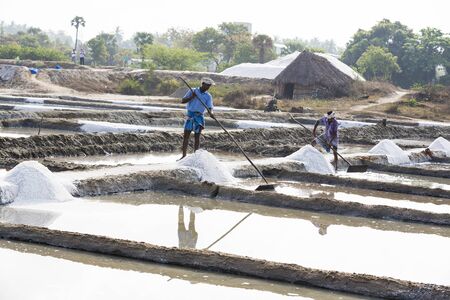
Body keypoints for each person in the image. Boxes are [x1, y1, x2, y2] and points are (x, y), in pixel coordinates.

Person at [179, 77, 215, 160]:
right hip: (190, 115)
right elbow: (183, 101)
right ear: (202, 84)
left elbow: (210, 107)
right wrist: (192, 96)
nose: (208, 87)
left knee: (197, 137)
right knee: (186, 136)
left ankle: (196, 156)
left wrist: (211, 113)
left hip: (199, 117)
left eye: (209, 86)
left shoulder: (208, 96)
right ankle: (184, 155)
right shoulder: (193, 91)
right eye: (207, 85)